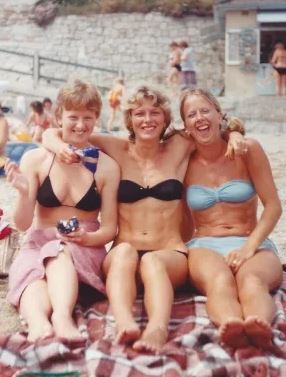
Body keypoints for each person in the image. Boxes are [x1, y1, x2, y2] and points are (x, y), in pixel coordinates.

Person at [42, 85, 246, 352]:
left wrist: (234, 134)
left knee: (152, 260)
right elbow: (53, 132)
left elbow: (210, 124)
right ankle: (125, 323)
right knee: (125, 251)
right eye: (139, 113)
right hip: (122, 255)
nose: (147, 120)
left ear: (165, 119)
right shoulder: (114, 147)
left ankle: (157, 329)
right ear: (129, 119)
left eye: (155, 113)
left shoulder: (179, 145)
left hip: (169, 252)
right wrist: (58, 148)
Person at [5, 79, 120, 342]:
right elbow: (22, 225)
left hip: (85, 244)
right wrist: (24, 193)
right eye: (73, 117)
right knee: (33, 276)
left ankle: (61, 316)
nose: (81, 125)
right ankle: (38, 324)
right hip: (38, 240)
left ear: (96, 119)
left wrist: (87, 238)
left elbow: (109, 228)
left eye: (88, 118)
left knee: (58, 251)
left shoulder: (106, 167)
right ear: (59, 116)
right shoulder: (35, 160)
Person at [180, 88, 283, 350]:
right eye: (191, 114)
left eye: (205, 110)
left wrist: (248, 248)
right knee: (219, 281)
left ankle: (258, 325)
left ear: (219, 114)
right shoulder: (182, 160)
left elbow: (273, 206)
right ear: (185, 126)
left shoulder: (248, 149)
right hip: (204, 244)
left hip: (251, 240)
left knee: (251, 281)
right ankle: (231, 326)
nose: (200, 118)